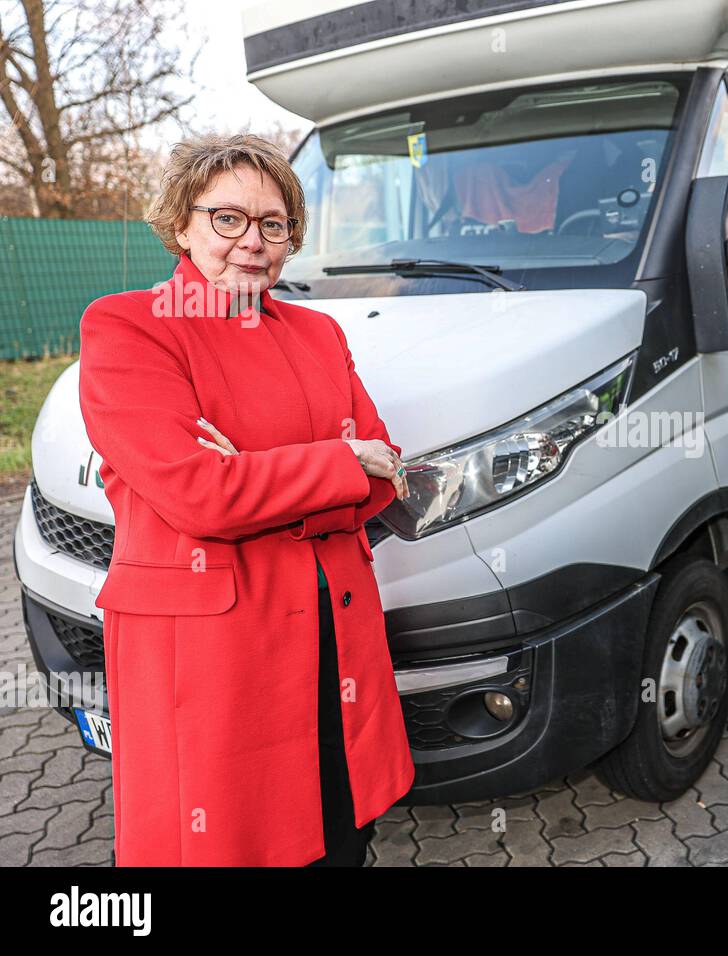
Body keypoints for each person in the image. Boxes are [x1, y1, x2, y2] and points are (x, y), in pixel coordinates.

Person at [78, 134, 415, 866]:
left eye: (274, 224)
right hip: (216, 653)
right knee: (226, 842)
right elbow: (200, 496)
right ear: (182, 224)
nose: (252, 243)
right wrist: (337, 460)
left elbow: (384, 477)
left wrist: (267, 475)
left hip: (333, 632)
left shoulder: (319, 332)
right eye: (227, 219)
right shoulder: (128, 325)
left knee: (338, 832)